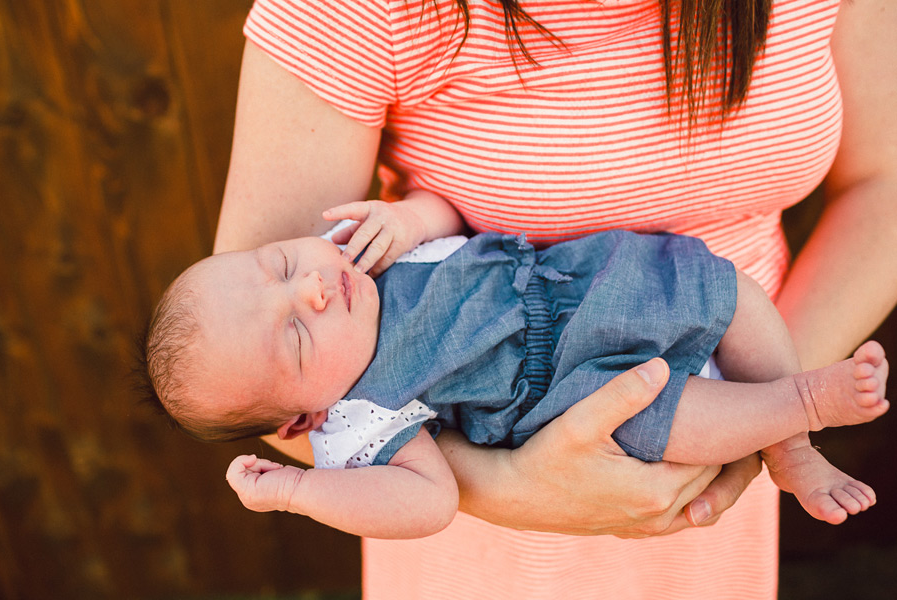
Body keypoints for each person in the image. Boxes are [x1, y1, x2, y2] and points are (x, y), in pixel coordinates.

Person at [212, 0, 897, 597]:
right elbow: (256, 373)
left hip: (729, 440)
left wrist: (759, 418)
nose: (306, 287)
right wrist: (515, 487)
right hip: (491, 512)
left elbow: (883, 186)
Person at [145, 195, 889, 538]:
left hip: (590, 282)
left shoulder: (365, 251)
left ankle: (792, 453)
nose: (309, 288)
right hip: (565, 394)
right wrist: (304, 490)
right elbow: (425, 503)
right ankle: (806, 405)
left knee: (729, 293)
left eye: (279, 266)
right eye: (298, 337)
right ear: (302, 418)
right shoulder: (358, 419)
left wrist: (407, 217)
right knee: (668, 414)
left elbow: (446, 213)